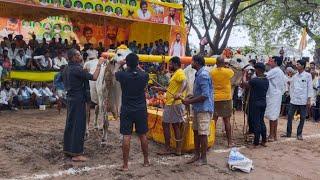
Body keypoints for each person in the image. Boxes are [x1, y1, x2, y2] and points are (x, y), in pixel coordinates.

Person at [62, 49, 107, 162]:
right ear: (73, 57)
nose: (80, 56)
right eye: (78, 54)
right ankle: (76, 153)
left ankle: (68, 149)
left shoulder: (67, 68)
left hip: (71, 98)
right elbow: (94, 77)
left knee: (71, 124)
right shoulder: (76, 69)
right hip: (78, 100)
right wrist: (99, 65)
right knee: (79, 126)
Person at [115, 53, 149, 170]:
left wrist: (120, 64)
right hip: (140, 109)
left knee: (126, 136)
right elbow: (143, 71)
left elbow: (116, 72)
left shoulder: (122, 75)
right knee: (143, 135)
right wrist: (136, 65)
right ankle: (146, 161)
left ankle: (125, 165)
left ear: (127, 64)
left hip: (127, 109)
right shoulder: (144, 76)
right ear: (138, 63)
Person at [182, 55, 213, 165]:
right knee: (196, 131)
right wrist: (190, 98)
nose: (191, 63)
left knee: (203, 133)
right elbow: (200, 93)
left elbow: (205, 95)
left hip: (204, 109)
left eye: (193, 61)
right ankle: (196, 155)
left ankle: (203, 158)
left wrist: (189, 101)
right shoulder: (199, 73)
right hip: (198, 108)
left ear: (197, 62)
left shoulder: (203, 75)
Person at [152, 56, 187, 156]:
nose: (169, 66)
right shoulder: (175, 74)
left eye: (170, 64)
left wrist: (179, 93)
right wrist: (158, 88)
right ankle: (177, 150)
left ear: (176, 64)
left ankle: (170, 148)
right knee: (174, 125)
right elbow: (170, 89)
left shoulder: (180, 72)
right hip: (172, 103)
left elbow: (185, 82)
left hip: (174, 104)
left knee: (169, 124)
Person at [283, 60, 313, 140]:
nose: (297, 65)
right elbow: (291, 85)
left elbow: (310, 88)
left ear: (303, 66)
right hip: (294, 100)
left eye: (298, 64)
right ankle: (288, 133)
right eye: (297, 64)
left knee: (302, 117)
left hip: (303, 100)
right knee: (289, 116)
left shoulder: (308, 75)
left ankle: (299, 134)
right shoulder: (295, 75)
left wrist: (309, 99)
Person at [241, 63, 269, 147]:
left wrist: (244, 75)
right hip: (263, 103)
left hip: (255, 104)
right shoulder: (266, 80)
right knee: (261, 121)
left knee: (256, 122)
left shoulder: (255, 80)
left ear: (258, 70)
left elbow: (244, 84)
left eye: (255, 69)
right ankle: (263, 140)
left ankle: (256, 142)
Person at [211, 56, 234, 147]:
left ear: (216, 63)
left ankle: (211, 140)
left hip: (215, 98)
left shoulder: (211, 72)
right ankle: (230, 142)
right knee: (227, 121)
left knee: (214, 121)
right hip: (226, 98)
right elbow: (233, 76)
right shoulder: (229, 71)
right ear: (224, 63)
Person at [265, 56, 286, 142]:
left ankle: (271, 135)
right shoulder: (279, 71)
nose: (269, 62)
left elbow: (263, 76)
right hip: (276, 94)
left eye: (271, 61)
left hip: (274, 95)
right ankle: (274, 135)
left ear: (276, 62)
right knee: (274, 116)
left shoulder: (275, 70)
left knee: (272, 116)